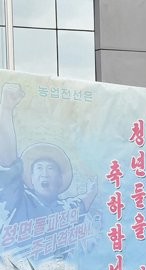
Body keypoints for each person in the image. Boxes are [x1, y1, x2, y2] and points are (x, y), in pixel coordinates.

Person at [0, 83, 97, 225]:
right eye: (39, 168)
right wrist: (6, 110)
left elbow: (86, 200)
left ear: (60, 179)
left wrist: (94, 189)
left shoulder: (67, 209)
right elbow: (8, 163)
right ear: (31, 178)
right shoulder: (18, 199)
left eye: (50, 168)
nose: (44, 173)